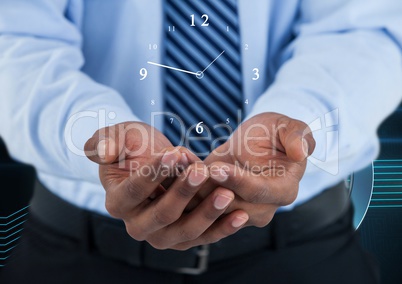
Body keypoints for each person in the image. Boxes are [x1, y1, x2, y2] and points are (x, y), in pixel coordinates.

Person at [0, 0, 401, 283]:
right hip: (76, 255)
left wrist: (299, 123)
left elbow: (365, 24)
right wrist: (95, 133)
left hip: (304, 253)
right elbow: (13, 32)